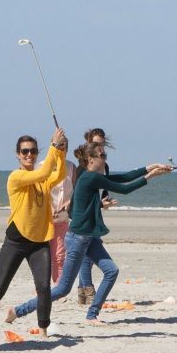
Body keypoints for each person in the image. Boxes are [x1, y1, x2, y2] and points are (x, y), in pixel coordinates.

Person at [7, 141, 171, 327]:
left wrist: (149, 167)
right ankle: (18, 310)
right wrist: (152, 176)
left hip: (88, 237)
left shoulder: (90, 174)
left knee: (111, 271)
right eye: (102, 155)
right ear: (91, 159)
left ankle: (92, 315)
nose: (105, 159)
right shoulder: (89, 177)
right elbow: (125, 188)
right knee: (62, 289)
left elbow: (121, 178)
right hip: (77, 239)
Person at [0, 128, 67, 338]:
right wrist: (53, 146)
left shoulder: (42, 180)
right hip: (15, 241)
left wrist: (61, 151)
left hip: (39, 241)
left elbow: (58, 174)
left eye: (33, 151)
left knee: (43, 288)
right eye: (24, 151)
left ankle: (43, 330)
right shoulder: (16, 177)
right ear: (18, 154)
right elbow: (43, 172)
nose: (29, 155)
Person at [76, 128, 113, 305]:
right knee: (86, 253)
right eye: (96, 143)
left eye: (102, 143)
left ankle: (81, 292)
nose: (100, 147)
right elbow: (79, 196)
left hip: (95, 212)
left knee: (88, 253)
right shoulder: (83, 167)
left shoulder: (104, 165)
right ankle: (88, 290)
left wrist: (104, 199)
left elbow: (107, 185)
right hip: (83, 215)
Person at [39, 138, 76, 285]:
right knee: (44, 256)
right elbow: (39, 193)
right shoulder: (42, 166)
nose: (62, 150)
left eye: (64, 147)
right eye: (59, 146)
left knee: (60, 256)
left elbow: (74, 191)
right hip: (45, 219)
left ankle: (58, 288)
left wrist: (69, 202)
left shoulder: (71, 167)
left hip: (62, 218)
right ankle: (42, 287)